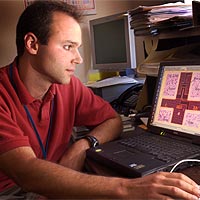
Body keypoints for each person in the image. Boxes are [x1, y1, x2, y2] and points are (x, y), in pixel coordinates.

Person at [0, 1, 199, 199]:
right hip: (14, 191)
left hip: (57, 179)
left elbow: (112, 120)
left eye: (77, 48)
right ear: (32, 44)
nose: (79, 59)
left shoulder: (69, 86)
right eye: (68, 46)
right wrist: (129, 188)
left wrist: (82, 145)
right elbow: (26, 172)